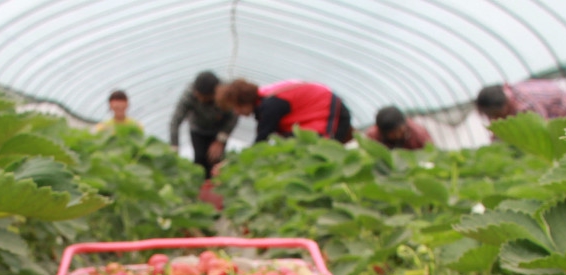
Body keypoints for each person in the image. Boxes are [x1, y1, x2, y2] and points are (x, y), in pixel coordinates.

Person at [216, 79, 353, 144]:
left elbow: (262, 139)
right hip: (323, 110)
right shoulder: (264, 99)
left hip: (331, 112)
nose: (236, 112)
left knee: (324, 151)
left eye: (236, 107)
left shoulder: (270, 105)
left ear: (243, 101)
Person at [169, 71, 239, 178]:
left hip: (219, 129)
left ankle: (217, 187)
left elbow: (234, 116)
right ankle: (201, 187)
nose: (199, 98)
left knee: (216, 160)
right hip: (198, 129)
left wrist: (221, 140)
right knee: (200, 159)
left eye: (202, 96)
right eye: (197, 95)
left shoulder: (224, 92)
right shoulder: (189, 95)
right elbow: (175, 121)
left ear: (213, 94)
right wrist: (174, 147)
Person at [476, 80, 566, 122]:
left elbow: (542, 129)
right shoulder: (509, 94)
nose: (494, 118)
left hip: (565, 108)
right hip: (549, 105)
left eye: (495, 114)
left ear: (505, 105)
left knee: (561, 143)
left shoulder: (526, 105)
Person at [363, 106, 432, 150]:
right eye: (392, 133)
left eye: (399, 130)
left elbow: (432, 154)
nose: (397, 135)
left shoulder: (419, 135)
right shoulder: (373, 136)